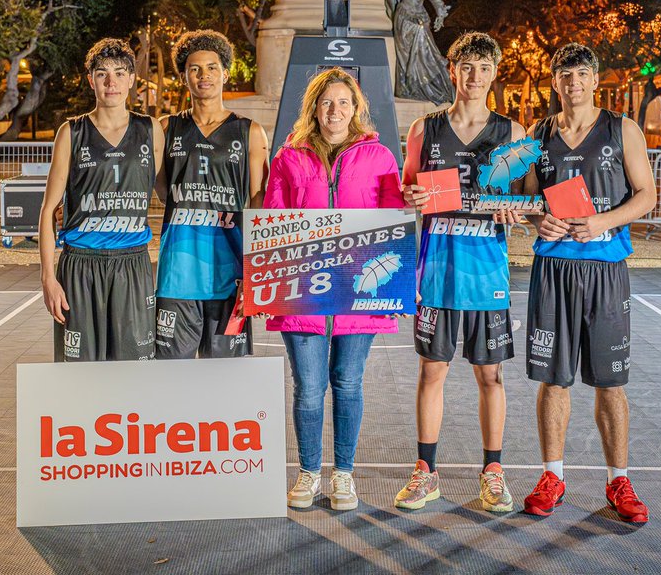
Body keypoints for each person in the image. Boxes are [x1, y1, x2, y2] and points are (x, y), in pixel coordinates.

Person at [520, 43, 657, 523]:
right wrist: (535, 220)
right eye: (564, 74)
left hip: (604, 269)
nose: (572, 82)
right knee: (553, 379)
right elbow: (529, 202)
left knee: (609, 381)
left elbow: (647, 196)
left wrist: (605, 222)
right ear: (554, 83)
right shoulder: (539, 134)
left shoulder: (622, 129)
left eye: (581, 73)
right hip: (554, 269)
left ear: (595, 80)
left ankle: (618, 480)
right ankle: (552, 475)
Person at [264, 67, 405, 511]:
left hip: (359, 292)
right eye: (327, 102)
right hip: (303, 292)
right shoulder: (289, 158)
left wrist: (402, 285)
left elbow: (393, 222)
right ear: (313, 108)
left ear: (356, 107)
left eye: (344, 101)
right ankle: (308, 473)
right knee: (308, 387)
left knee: (347, 381)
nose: (335, 110)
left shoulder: (379, 157)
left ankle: (343, 474)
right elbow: (274, 221)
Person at [396, 32, 526, 513]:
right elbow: (407, 188)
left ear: (494, 74)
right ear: (453, 71)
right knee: (433, 371)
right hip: (436, 269)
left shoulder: (512, 132)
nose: (474, 77)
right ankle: (425, 472)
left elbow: (528, 197)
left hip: (486, 271)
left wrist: (514, 209)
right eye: (466, 67)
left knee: (490, 376)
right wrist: (410, 196)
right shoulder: (423, 129)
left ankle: (493, 471)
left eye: (483, 68)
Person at [39, 38, 164, 361]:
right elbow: (48, 210)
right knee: (79, 371)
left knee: (132, 371)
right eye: (102, 74)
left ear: (132, 79)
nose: (112, 83)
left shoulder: (151, 130)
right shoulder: (72, 132)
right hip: (80, 264)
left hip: (131, 262)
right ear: (90, 79)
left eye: (120, 73)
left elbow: (168, 196)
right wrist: (48, 277)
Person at [154, 30, 269, 359]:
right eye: (194, 69)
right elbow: (162, 190)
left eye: (212, 67)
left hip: (229, 277)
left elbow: (258, 207)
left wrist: (255, 273)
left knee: (225, 381)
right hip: (177, 276)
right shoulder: (165, 128)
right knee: (170, 377)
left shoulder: (249, 132)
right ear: (183, 76)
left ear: (226, 74)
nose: (203, 75)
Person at [367, 0, 456, 105]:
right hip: (403, 18)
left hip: (419, 19)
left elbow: (437, 2)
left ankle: (421, 85)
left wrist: (440, 16)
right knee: (404, 54)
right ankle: (407, 86)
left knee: (425, 51)